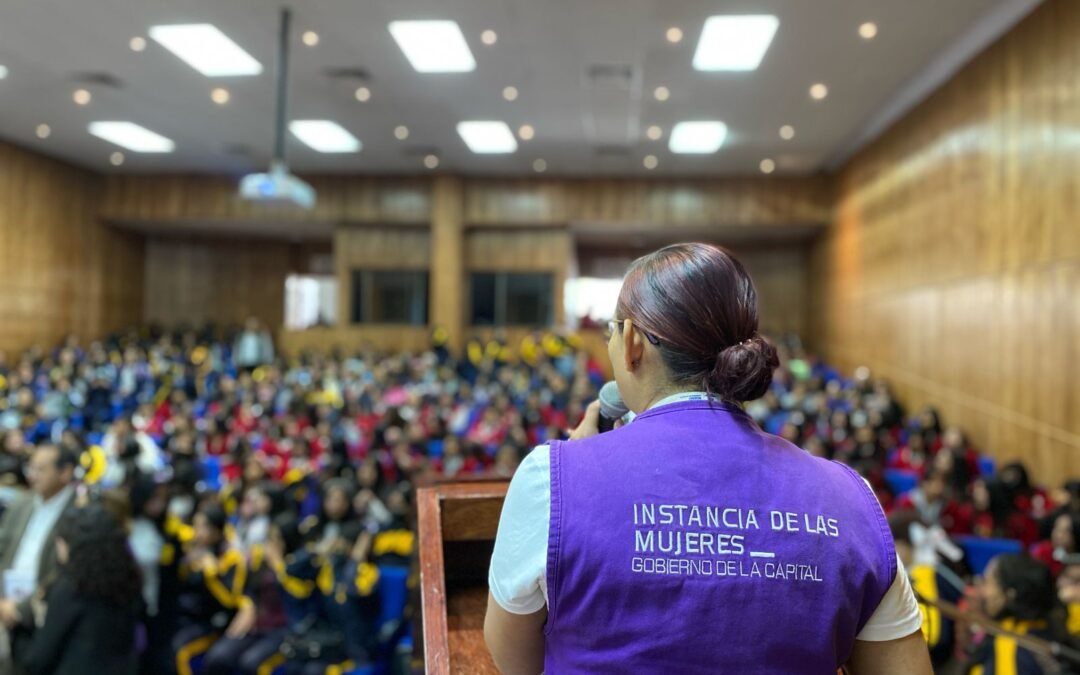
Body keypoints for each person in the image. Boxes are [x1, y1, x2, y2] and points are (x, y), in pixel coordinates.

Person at [485, 243, 931, 674]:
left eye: (611, 332)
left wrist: (580, 471)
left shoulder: (551, 481)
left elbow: (516, 662)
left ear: (633, 342)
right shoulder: (850, 498)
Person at [16, 505, 142, 675]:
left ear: (69, 544)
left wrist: (20, 630)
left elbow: (37, 660)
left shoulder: (71, 588)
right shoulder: (129, 581)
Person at [0, 445, 78, 634]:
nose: (32, 475)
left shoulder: (80, 511)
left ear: (65, 472)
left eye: (41, 469)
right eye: (31, 468)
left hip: (48, 616)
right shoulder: (21, 503)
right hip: (5, 606)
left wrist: (21, 608)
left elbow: (66, 572)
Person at [966, 553, 1061, 674]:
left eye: (987, 582)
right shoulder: (1047, 629)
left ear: (1010, 594)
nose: (982, 591)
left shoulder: (1011, 645)